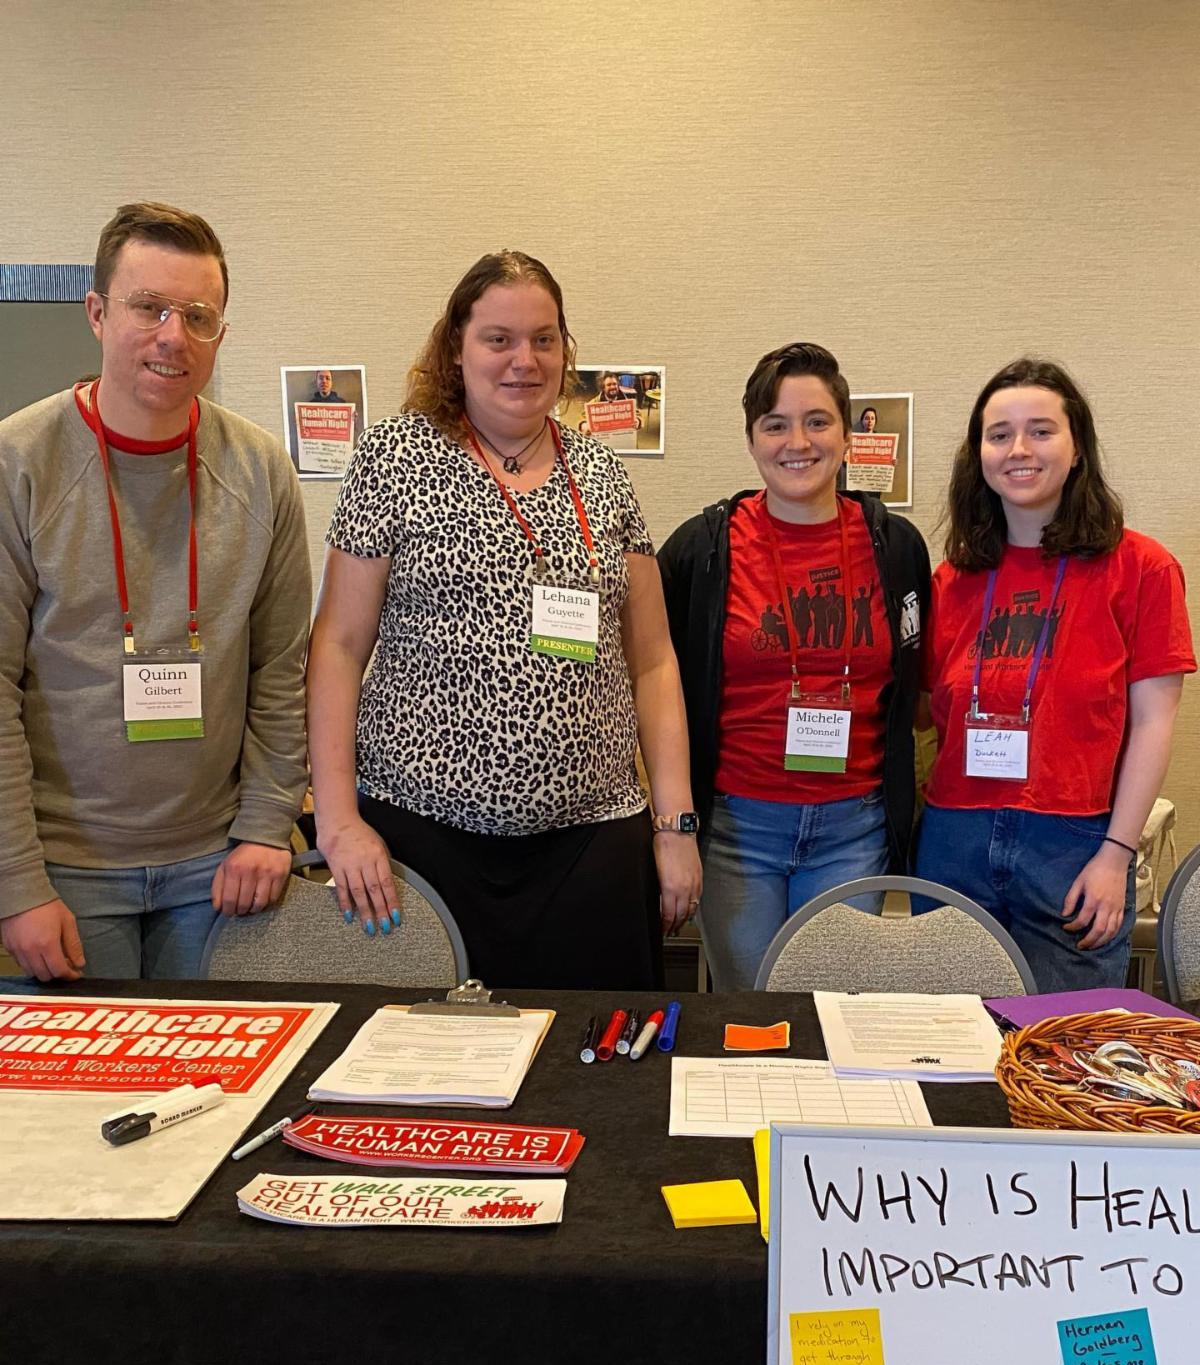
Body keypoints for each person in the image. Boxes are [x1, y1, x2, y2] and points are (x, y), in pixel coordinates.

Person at [306, 250, 700, 990]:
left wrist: (675, 824)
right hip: (421, 839)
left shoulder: (602, 471)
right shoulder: (395, 456)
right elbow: (337, 644)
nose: (524, 359)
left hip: (593, 843)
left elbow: (652, 660)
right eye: (499, 338)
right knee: (429, 1078)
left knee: (598, 1074)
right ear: (456, 347)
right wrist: (336, 819)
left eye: (544, 339)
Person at [0, 201, 310, 983]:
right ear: (98, 313)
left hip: (220, 873)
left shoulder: (261, 470)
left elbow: (282, 668)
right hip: (64, 875)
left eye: (198, 316)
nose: (174, 335)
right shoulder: (19, 462)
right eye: (149, 307)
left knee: (218, 1099)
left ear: (219, 336)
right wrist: (15, 884)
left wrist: (268, 825)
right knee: (69, 1105)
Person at [916, 358, 1195, 992]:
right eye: (999, 434)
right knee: (953, 1050)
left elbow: (1155, 723)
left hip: (1075, 844)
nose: (1019, 449)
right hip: (954, 836)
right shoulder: (953, 579)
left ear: (1076, 451)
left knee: (1064, 1052)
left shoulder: (1143, 569)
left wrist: (1116, 855)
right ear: (978, 455)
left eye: (1041, 431)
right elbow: (927, 708)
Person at [659, 343, 930, 990]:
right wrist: (670, 824)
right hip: (737, 831)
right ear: (752, 440)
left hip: (854, 828)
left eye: (817, 420)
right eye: (775, 424)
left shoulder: (897, 547)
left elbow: (916, 690)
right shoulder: (704, 549)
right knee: (745, 1014)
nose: (796, 441)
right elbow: (649, 677)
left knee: (830, 1015)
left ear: (845, 433)